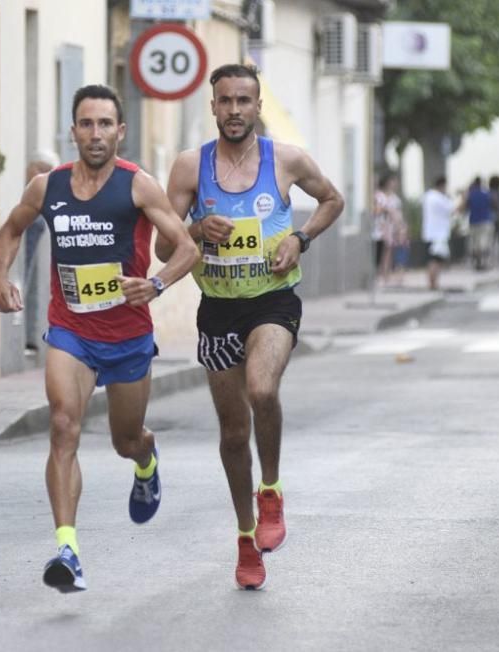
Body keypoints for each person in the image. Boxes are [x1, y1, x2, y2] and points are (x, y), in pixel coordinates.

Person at [0, 84, 199, 593]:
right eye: (87, 124)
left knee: (126, 439)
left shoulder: (138, 185)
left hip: (127, 336)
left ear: (120, 131)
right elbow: (12, 227)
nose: (96, 133)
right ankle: (68, 549)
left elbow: (186, 248)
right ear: (74, 131)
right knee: (63, 425)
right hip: (72, 330)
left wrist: (154, 284)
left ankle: (146, 460)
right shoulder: (48, 186)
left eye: (106, 124)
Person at [158, 63, 344, 590]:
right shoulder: (189, 168)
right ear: (213, 107)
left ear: (258, 106)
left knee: (263, 388)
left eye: (244, 100)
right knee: (233, 432)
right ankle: (246, 537)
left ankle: (272, 490)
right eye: (226, 101)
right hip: (217, 307)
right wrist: (194, 228)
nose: (235, 110)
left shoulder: (285, 160)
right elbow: (161, 247)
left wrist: (301, 239)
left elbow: (332, 199)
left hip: (273, 301)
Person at [22, 150, 60, 353]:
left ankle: (28, 337)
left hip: (34, 224)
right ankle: (28, 336)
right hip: (35, 224)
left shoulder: (39, 184)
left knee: (26, 275)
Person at [421, 176, 455, 290]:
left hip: (430, 232)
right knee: (436, 260)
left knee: (433, 259)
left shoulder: (428, 196)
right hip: (438, 234)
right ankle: (432, 283)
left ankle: (432, 283)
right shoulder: (438, 198)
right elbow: (452, 209)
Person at [373, 173, 407, 286]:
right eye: (392, 181)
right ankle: (378, 276)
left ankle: (386, 277)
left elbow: (398, 214)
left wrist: (401, 227)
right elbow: (375, 210)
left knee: (388, 252)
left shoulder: (395, 199)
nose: (394, 184)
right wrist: (386, 210)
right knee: (379, 253)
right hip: (379, 228)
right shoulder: (379, 196)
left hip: (391, 228)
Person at [466, 176, 494, 271]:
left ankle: (478, 262)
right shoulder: (486, 194)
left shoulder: (471, 194)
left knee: (475, 243)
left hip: (473, 220)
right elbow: (492, 205)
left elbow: (466, 206)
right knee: (484, 242)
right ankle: (483, 262)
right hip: (485, 220)